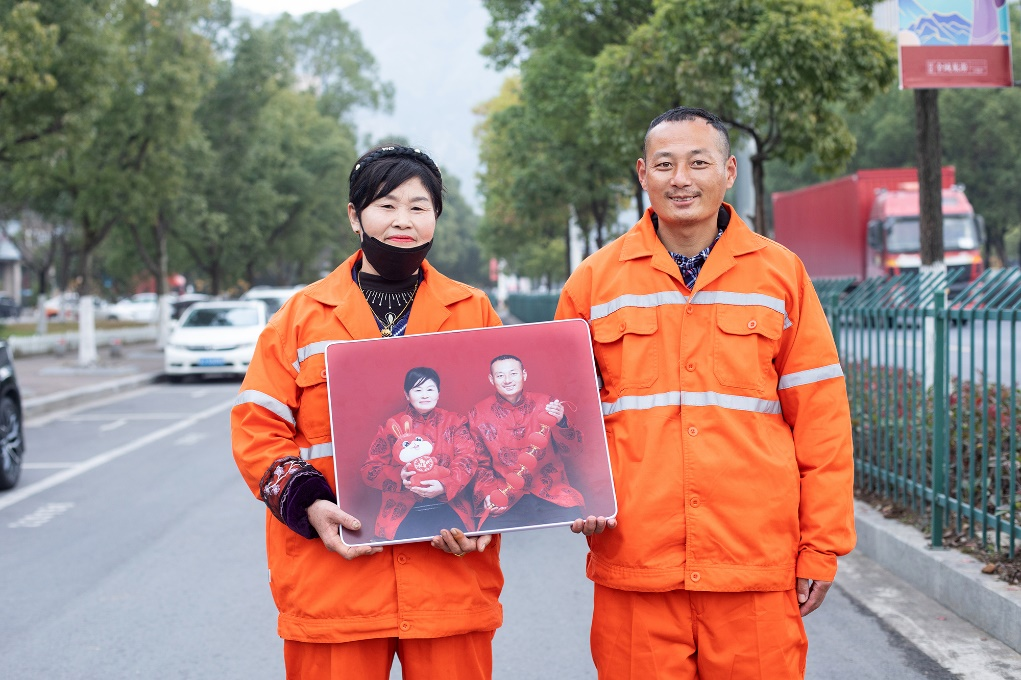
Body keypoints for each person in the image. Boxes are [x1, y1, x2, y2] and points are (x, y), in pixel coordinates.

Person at [555, 107, 854, 679]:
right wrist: (576, 495)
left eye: (698, 162)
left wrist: (821, 545)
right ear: (642, 174)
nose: (681, 178)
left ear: (730, 171)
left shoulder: (780, 275)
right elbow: (562, 418)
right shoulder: (594, 282)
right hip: (636, 561)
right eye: (664, 164)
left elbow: (822, 419)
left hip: (752, 563)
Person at [231, 145, 504, 680]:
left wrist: (487, 511)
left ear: (436, 219)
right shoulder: (301, 318)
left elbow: (493, 433)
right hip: (335, 578)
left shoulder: (473, 312)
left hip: (448, 573)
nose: (403, 220)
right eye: (386, 204)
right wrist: (306, 502)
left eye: (419, 206)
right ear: (355, 215)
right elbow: (257, 426)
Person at [468, 354, 585, 531]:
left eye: (513, 374)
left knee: (575, 533)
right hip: (506, 498)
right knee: (491, 544)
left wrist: (561, 421)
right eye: (500, 376)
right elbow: (480, 464)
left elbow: (574, 450)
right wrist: (489, 494)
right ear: (491, 379)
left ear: (524, 375)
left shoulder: (546, 403)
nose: (507, 380)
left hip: (552, 492)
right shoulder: (478, 413)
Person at [361, 366, 478, 541]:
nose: (425, 395)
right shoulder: (390, 427)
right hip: (403, 509)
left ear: (438, 393)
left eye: (430, 389)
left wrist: (444, 485)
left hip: (450, 505)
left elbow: (467, 460)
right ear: (407, 395)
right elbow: (369, 470)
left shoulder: (455, 422)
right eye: (418, 389)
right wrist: (399, 476)